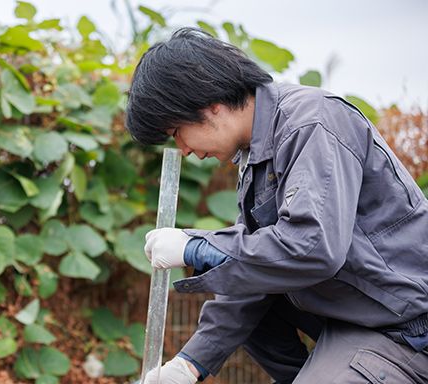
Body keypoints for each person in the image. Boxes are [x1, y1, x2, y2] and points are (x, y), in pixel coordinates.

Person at [125, 28, 428, 383]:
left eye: (176, 132)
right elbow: (255, 271)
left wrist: (196, 247)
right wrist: (189, 364)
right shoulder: (256, 153)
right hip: (354, 313)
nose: (185, 149)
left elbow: (313, 248)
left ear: (209, 104)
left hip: (405, 326)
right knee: (245, 280)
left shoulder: (311, 124)